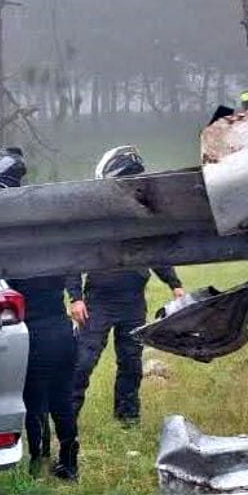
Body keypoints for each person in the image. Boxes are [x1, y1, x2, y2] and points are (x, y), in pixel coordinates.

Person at [66, 146, 185, 427]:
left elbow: (154, 253)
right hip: (98, 301)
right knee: (83, 361)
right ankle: (67, 418)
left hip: (133, 301)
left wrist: (174, 284)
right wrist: (75, 298)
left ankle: (128, 418)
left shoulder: (140, 215)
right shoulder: (94, 217)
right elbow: (73, 259)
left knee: (131, 363)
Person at [0, 147, 80, 480]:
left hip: (33, 335)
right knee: (62, 400)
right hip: (62, 331)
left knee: (34, 402)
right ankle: (69, 464)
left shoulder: (9, 253)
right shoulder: (51, 245)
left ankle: (38, 465)